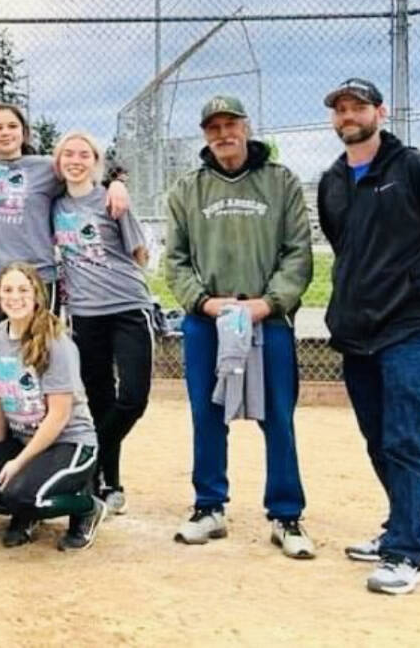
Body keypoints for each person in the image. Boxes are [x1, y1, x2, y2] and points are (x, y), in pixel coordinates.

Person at [317, 78, 420, 595]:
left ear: (380, 113)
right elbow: (345, 246)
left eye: (358, 107)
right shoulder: (333, 180)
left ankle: (405, 552)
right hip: (357, 329)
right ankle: (411, 529)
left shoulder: (413, 169)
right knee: (377, 438)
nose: (349, 115)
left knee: (405, 438)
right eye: (341, 109)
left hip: (412, 326)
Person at [164, 94, 315, 558]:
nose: (223, 134)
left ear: (246, 127)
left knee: (278, 416)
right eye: (214, 127)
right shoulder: (188, 189)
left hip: (266, 317)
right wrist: (204, 303)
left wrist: (268, 304)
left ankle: (286, 514)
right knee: (207, 414)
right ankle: (209, 507)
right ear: (205, 134)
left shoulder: (280, 181)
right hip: (208, 320)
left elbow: (298, 252)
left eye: (231, 124)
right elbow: (175, 260)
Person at [0, 103, 126, 409]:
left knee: (35, 363)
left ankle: (42, 431)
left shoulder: (46, 167)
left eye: (12, 126)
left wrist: (115, 182)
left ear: (24, 132)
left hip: (36, 284)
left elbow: (83, 165)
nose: (5, 133)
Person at [0, 263, 106, 551]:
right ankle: (26, 510)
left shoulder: (55, 341)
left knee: (21, 496)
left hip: (69, 442)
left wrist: (18, 463)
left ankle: (87, 506)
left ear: (37, 295)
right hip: (23, 439)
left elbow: (59, 415)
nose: (15, 297)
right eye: (7, 290)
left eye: (23, 290)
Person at [52, 130, 154, 515]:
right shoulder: (54, 204)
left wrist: (117, 186)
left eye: (84, 155)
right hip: (84, 313)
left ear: (96, 163)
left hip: (127, 306)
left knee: (133, 398)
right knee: (99, 398)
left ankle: (90, 459)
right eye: (68, 154)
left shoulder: (111, 199)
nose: (76, 161)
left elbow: (140, 253)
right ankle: (109, 483)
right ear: (58, 161)